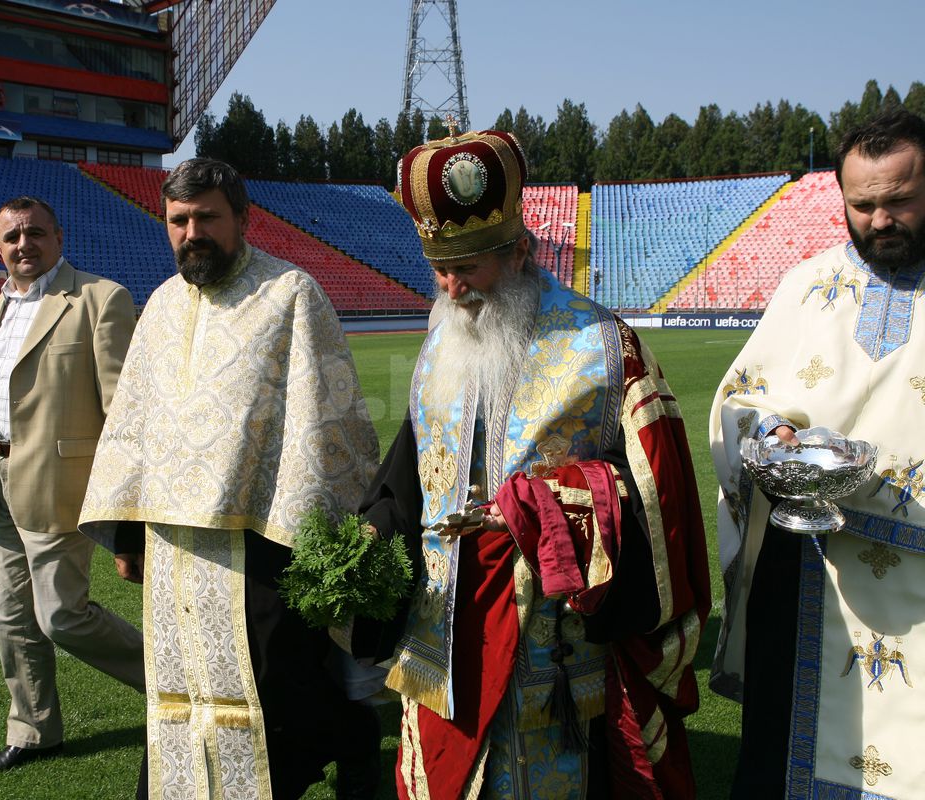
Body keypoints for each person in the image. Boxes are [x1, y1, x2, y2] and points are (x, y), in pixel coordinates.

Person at [349, 129, 711, 799]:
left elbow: (662, 505)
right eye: (440, 269)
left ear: (519, 252)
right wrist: (372, 530)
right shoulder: (438, 345)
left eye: (470, 269)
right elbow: (410, 475)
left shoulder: (603, 347)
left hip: (554, 653)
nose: (453, 289)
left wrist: (553, 506)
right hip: (440, 648)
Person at [78, 158, 384, 799]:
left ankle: (333, 749)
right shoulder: (160, 306)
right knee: (182, 685)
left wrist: (318, 529)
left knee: (274, 685)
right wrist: (128, 536)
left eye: (207, 218)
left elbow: (329, 418)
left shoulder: (290, 293)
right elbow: (134, 425)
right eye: (179, 220)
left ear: (241, 219)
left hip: (263, 534)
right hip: (174, 550)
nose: (193, 233)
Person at [711, 109, 925, 799]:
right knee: (780, 760)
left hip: (916, 585)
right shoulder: (808, 284)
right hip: (803, 575)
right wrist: (768, 433)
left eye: (899, 201)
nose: (880, 221)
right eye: (862, 205)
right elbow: (738, 400)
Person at [0, 195, 144, 774]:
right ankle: (34, 729)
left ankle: (178, 684)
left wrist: (129, 507)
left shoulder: (99, 298)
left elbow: (124, 409)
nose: (23, 245)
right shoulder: (3, 302)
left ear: (58, 238)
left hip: (61, 481)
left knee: (61, 615)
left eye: (35, 233)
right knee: (11, 615)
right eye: (11, 237)